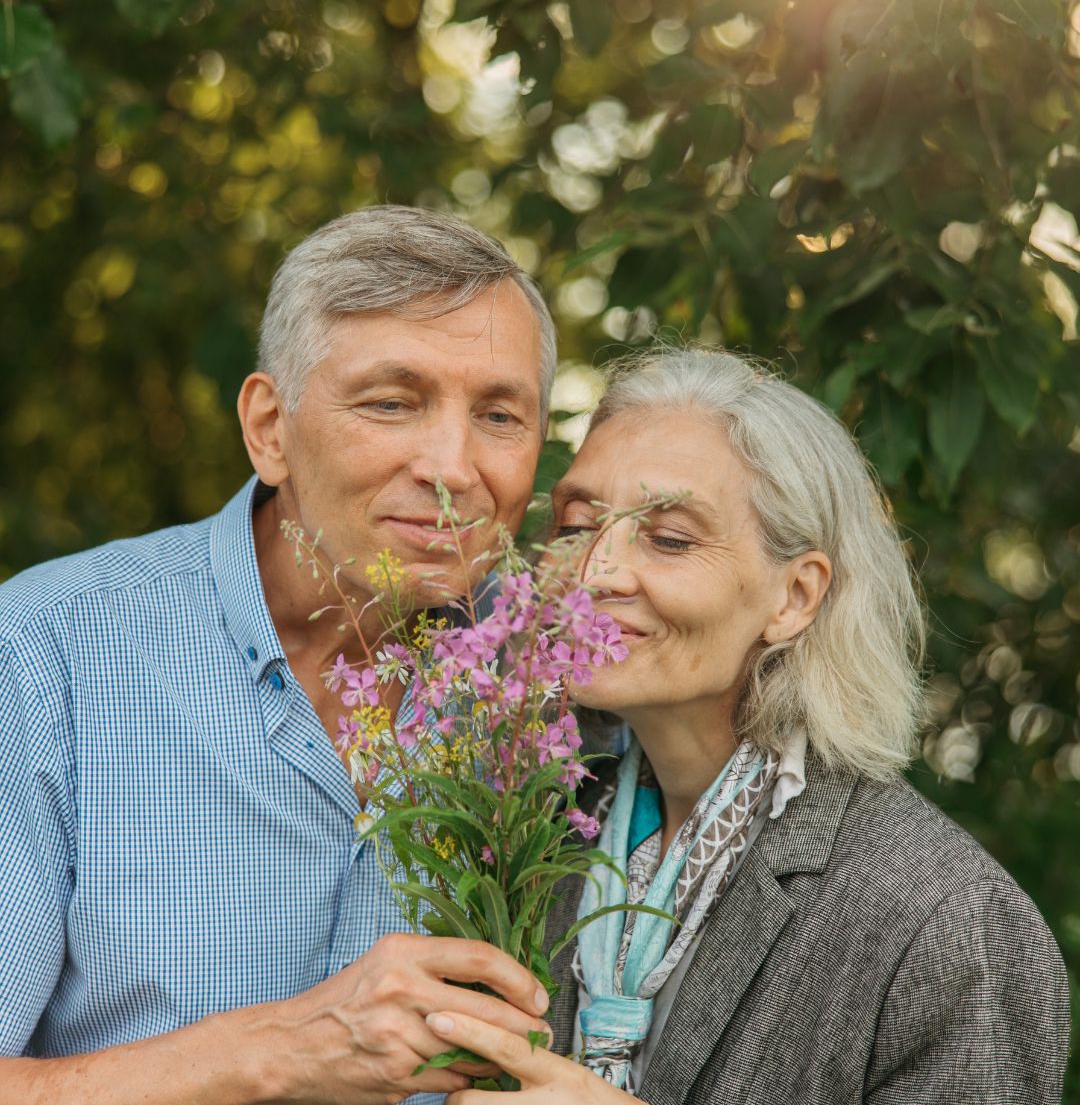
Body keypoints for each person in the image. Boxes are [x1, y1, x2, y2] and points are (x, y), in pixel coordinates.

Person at [0, 206, 559, 1104]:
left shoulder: (557, 680)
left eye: (499, 415)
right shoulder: (47, 653)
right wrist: (278, 1052)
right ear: (269, 428)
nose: (453, 466)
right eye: (391, 402)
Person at [416, 348, 1070, 1104]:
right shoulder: (536, 830)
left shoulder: (946, 922)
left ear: (794, 597)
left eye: (668, 539)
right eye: (576, 525)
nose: (595, 572)